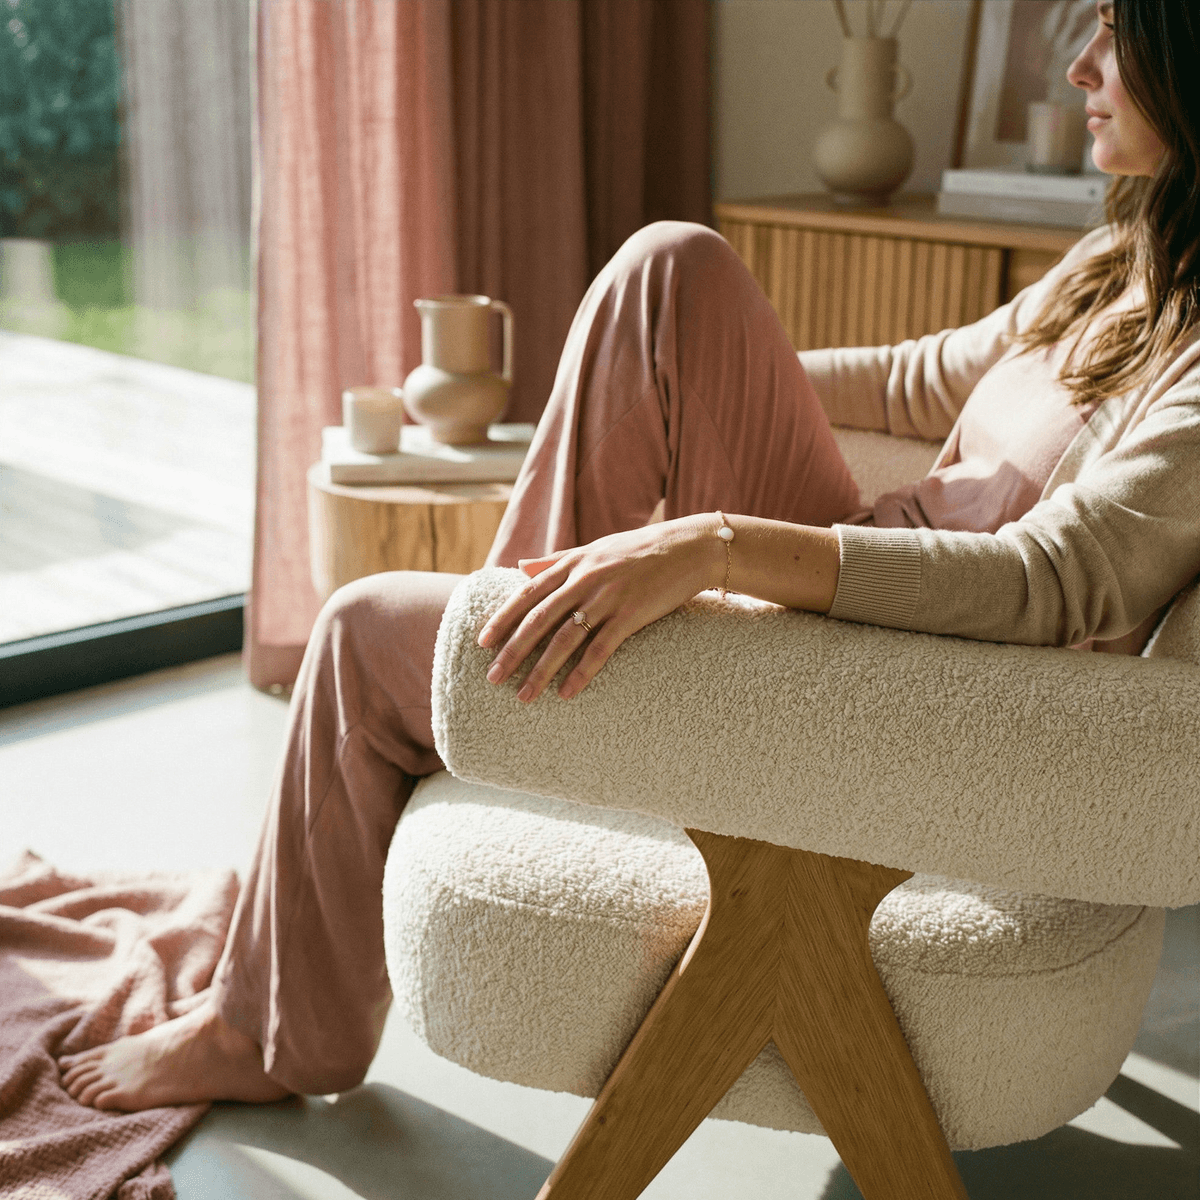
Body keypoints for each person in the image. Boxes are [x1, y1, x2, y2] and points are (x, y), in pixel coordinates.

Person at [57, 0, 1199, 1110]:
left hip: (919, 693)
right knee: (671, 269)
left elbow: (1051, 586)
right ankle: (501, 668)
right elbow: (918, 381)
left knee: (363, 633)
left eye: (1116, 31)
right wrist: (665, 366)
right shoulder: (1126, 258)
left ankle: (273, 1028)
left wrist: (715, 545)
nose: (1080, 68)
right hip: (873, 582)